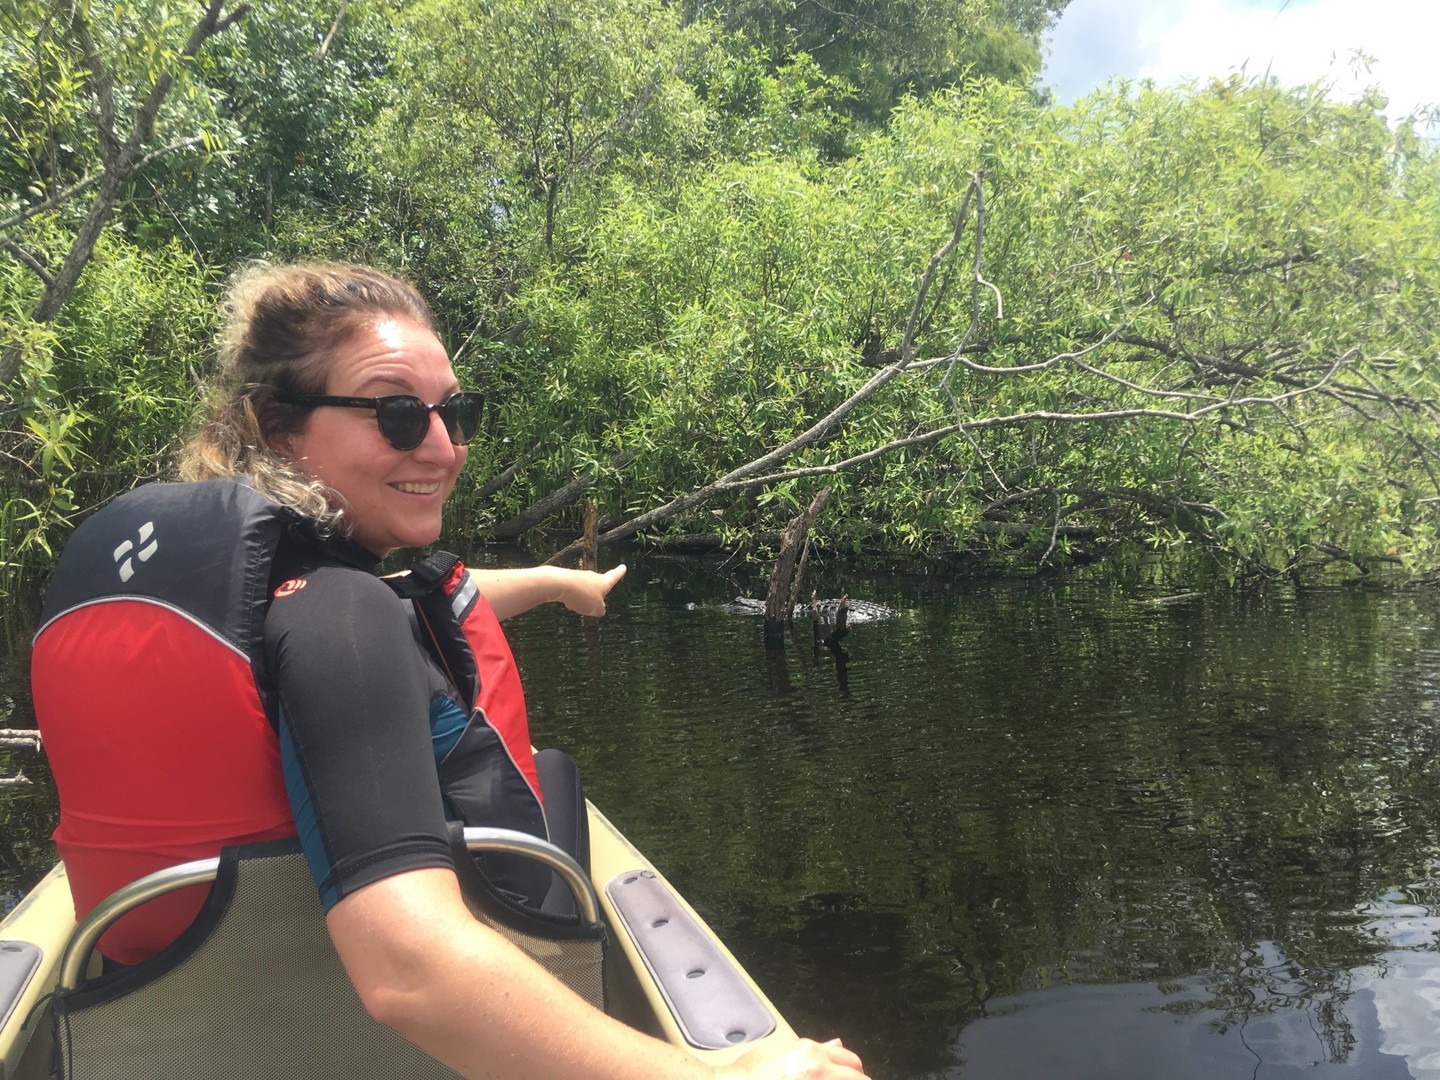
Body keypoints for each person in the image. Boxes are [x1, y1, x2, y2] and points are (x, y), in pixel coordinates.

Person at [32, 261, 867, 1080]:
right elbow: (409, 974)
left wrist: (554, 583)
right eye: (397, 415)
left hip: (175, 1004)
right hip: (344, 1027)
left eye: (455, 412)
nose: (442, 445)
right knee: (552, 779)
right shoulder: (336, 615)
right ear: (280, 427)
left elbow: (398, 603)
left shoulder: (229, 590)